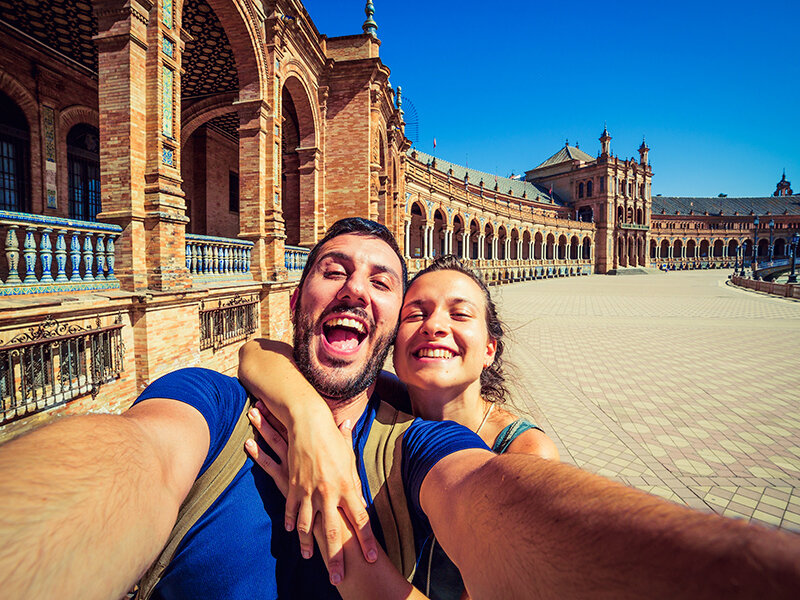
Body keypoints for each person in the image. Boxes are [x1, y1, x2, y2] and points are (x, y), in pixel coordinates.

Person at [0, 218, 799, 600]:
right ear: (295, 300)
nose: (358, 289)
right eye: (332, 271)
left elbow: (508, 503)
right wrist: (305, 417)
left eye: (384, 282)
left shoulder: (422, 441)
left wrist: (743, 569)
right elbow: (130, 456)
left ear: (491, 349)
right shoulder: (216, 402)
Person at [238, 254, 560, 599]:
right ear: (393, 343)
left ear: (489, 350)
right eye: (415, 314)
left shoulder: (523, 452)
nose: (433, 326)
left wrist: (327, 516)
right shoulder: (395, 400)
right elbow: (257, 353)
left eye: (460, 313)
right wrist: (309, 420)